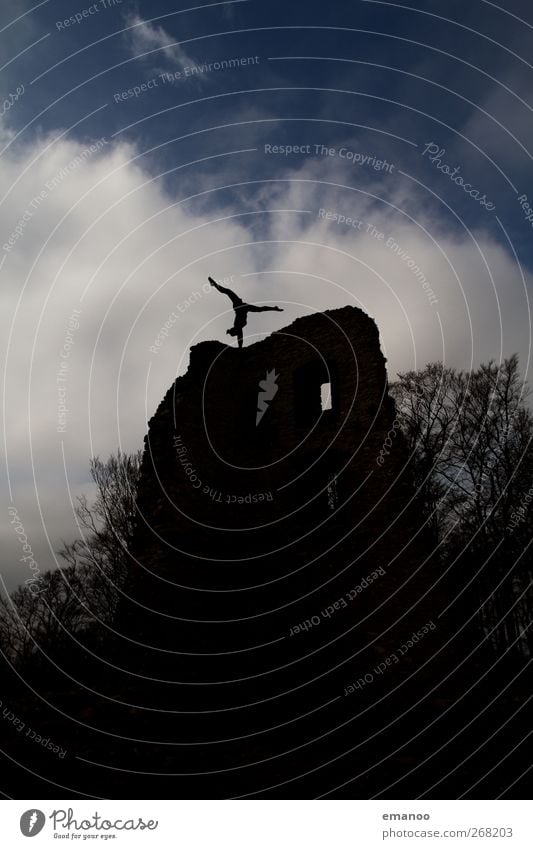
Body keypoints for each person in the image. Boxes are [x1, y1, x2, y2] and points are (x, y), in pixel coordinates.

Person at [208, 277, 283, 349]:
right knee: (259, 309)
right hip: (241, 307)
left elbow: (239, 336)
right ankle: (214, 284)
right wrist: (240, 347)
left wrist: (231, 334)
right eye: (232, 330)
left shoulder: (237, 326)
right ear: (234, 331)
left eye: (231, 330)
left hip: (239, 306)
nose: (231, 329)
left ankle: (214, 284)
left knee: (228, 291)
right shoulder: (238, 327)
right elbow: (240, 337)